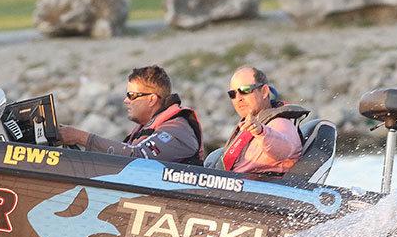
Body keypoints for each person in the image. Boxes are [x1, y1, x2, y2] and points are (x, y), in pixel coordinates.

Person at [59, 65, 205, 164]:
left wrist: (81, 137)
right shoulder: (146, 128)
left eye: (131, 95)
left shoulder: (177, 129)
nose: (126, 100)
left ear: (151, 99)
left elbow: (138, 158)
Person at [213, 66, 308, 174]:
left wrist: (261, 132)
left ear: (264, 91)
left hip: (262, 182)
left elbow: (285, 149)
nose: (238, 98)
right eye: (233, 94)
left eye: (245, 90)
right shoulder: (246, 126)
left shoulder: (280, 123)